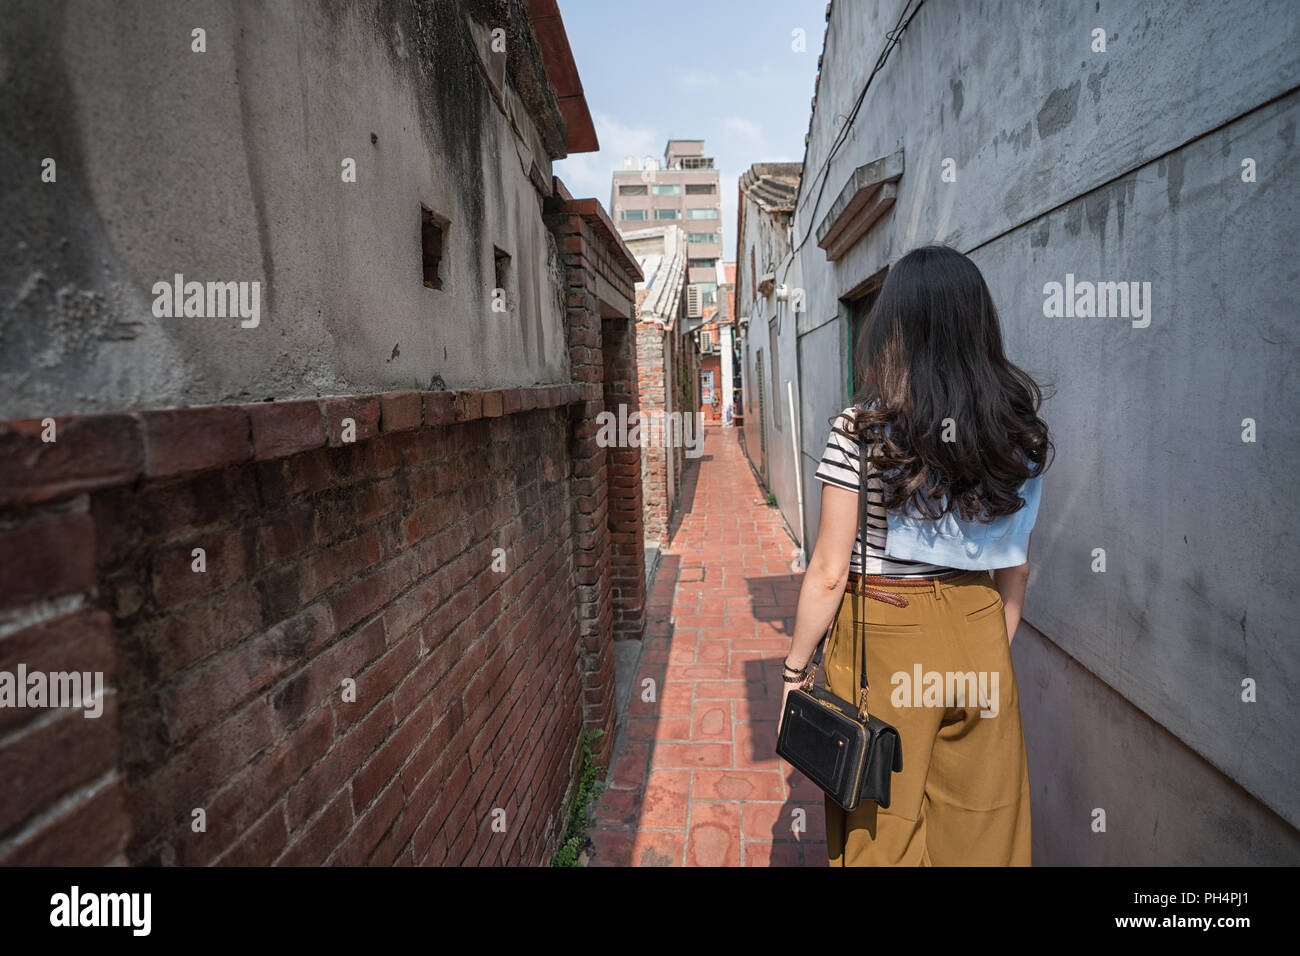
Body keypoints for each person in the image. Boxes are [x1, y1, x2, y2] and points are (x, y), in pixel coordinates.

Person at [778, 243, 1054, 866]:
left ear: (893, 332)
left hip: (887, 631)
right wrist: (986, 642)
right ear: (979, 327)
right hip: (981, 622)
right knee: (985, 826)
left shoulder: (861, 430)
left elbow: (827, 572)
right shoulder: (1016, 434)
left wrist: (796, 671)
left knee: (883, 827)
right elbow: (1016, 563)